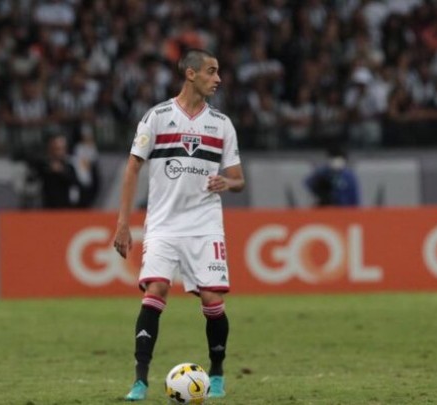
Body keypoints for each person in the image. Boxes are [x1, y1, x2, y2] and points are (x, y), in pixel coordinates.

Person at [113, 48, 245, 401]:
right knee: (155, 290)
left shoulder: (221, 124)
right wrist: (124, 223)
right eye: (211, 71)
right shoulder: (156, 117)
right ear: (190, 73)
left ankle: (216, 374)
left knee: (213, 297)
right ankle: (140, 380)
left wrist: (226, 183)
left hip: (205, 224)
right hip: (163, 224)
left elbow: (238, 178)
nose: (218, 79)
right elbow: (132, 168)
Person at [30, 133, 80, 209]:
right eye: (56, 148)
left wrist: (61, 171)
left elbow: (75, 183)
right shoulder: (43, 165)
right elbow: (33, 179)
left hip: (65, 208)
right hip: (47, 208)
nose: (59, 152)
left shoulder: (69, 166)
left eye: (62, 148)